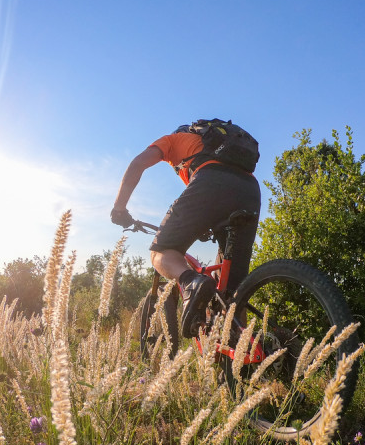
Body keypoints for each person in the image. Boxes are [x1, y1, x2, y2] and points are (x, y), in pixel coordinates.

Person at [111, 123, 261, 338]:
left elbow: (138, 163)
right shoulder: (215, 146)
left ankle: (191, 282)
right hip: (250, 190)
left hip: (211, 179)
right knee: (233, 292)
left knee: (161, 251)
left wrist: (119, 208)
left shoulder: (173, 140)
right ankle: (240, 352)